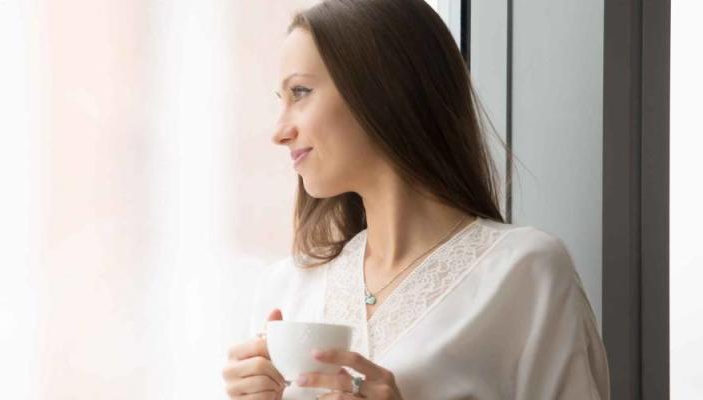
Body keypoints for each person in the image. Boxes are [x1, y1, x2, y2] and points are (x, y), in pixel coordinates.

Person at [220, 0, 610, 399]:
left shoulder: (525, 274)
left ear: (382, 90)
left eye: (300, 92)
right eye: (280, 99)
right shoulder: (286, 290)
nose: (279, 131)